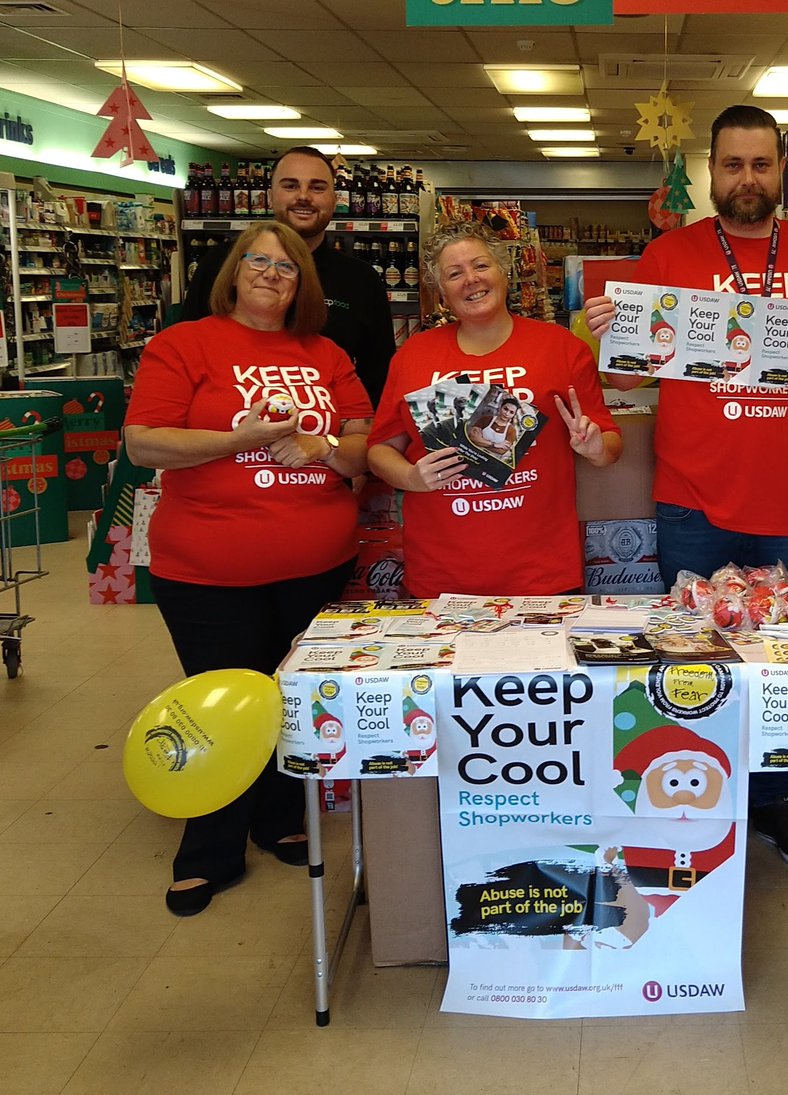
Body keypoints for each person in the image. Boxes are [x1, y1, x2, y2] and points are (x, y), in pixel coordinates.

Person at [584, 104, 788, 871]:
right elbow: (626, 375)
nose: (746, 179)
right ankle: (691, 795)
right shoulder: (667, 254)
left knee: (778, 664)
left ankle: (773, 805)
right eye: (732, 165)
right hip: (691, 495)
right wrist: (610, 327)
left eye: (761, 164)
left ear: (782, 171)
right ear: (710, 171)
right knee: (694, 657)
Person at [125, 222, 373, 917]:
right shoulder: (184, 344)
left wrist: (322, 444)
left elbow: (363, 448)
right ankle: (208, 846)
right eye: (257, 262)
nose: (270, 273)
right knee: (221, 702)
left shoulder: (325, 353)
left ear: (303, 285)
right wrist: (245, 438)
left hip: (317, 563)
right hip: (207, 567)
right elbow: (146, 440)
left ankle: (276, 817)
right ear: (233, 273)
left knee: (288, 699)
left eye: (286, 267)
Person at [368, 221, 621, 596]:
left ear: (504, 272)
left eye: (481, 265)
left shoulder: (561, 347)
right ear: (440, 291)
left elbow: (610, 443)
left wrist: (597, 448)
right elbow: (379, 450)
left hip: (541, 570)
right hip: (442, 571)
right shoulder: (413, 356)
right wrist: (410, 478)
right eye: (454, 273)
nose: (471, 279)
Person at [182, 146, 393, 407]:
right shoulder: (221, 263)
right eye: (290, 186)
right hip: (223, 429)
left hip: (327, 439)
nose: (304, 197)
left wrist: (349, 438)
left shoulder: (361, 279)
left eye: (317, 188)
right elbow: (186, 352)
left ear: (334, 198)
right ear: (270, 195)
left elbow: (379, 376)